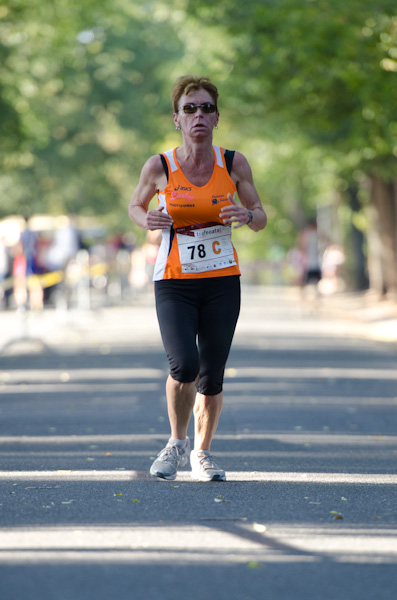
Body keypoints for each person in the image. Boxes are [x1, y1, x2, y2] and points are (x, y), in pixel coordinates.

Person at [128, 75, 267, 482]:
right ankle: (176, 442)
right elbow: (135, 205)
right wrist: (146, 219)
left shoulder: (233, 163)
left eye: (207, 108)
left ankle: (203, 454)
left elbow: (260, 215)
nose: (199, 116)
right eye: (190, 109)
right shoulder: (160, 166)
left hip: (222, 279)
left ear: (217, 117)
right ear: (177, 118)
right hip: (174, 279)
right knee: (184, 364)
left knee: (212, 373)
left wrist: (246, 216)